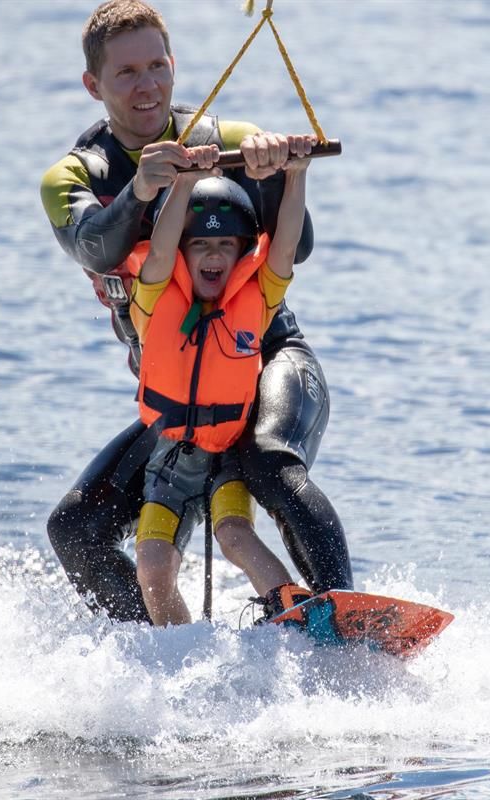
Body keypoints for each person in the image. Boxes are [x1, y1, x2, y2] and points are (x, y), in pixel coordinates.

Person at [39, 0, 352, 623]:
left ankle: (342, 614)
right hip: (181, 394)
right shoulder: (74, 175)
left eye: (157, 66)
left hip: (266, 359)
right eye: (127, 72)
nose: (147, 86)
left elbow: (299, 248)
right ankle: (163, 650)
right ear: (93, 85)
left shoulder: (227, 140)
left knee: (268, 459)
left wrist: (274, 172)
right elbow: (97, 247)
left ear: (174, 66)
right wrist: (143, 187)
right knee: (74, 530)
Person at [126, 143, 315, 624]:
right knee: (152, 564)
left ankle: (297, 618)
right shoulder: (152, 298)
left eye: (226, 246)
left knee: (235, 536)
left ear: (241, 254)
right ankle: (180, 648)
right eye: (201, 245)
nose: (213, 255)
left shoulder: (259, 298)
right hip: (171, 458)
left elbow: (285, 247)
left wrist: (296, 175)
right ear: (183, 252)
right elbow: (160, 248)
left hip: (229, 451)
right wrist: (184, 182)